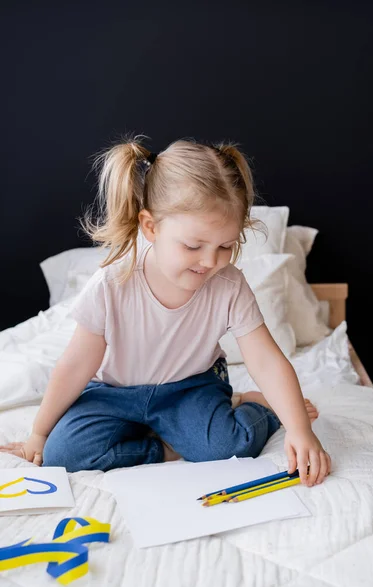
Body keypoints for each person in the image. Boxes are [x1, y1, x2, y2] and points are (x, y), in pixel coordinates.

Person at [0, 137, 331, 486]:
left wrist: (298, 427)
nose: (210, 261)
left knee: (229, 444)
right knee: (63, 454)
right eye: (193, 246)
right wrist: (38, 434)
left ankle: (259, 407)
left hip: (189, 389)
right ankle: (168, 448)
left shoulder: (229, 285)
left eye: (225, 246)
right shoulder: (112, 283)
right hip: (114, 393)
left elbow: (265, 359)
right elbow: (75, 365)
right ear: (151, 227)